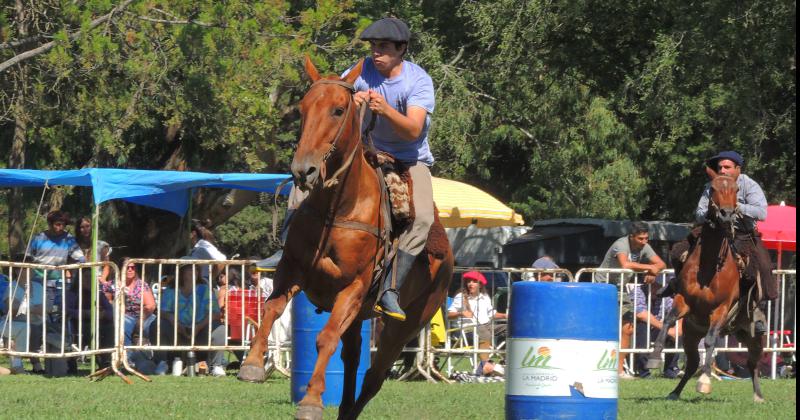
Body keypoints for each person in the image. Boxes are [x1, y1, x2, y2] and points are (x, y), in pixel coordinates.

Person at [347, 17, 436, 322]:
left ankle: (390, 289)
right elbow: (335, 92)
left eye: (383, 46)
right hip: (366, 153)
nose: (376, 52)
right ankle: (288, 251)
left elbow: (413, 130)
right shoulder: (362, 70)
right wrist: (350, 98)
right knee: (309, 174)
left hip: (409, 159)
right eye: (373, 46)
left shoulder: (419, 81)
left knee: (423, 217)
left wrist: (385, 109)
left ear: (402, 49)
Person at [658, 151, 775, 315]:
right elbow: (698, 213)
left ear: (738, 169)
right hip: (713, 229)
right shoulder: (712, 185)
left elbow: (762, 213)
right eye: (720, 167)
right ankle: (676, 284)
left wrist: (735, 206)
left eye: (727, 167)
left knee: (762, 265)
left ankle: (756, 309)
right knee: (678, 251)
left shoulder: (749, 185)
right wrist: (712, 209)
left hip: (743, 232)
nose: (722, 170)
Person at [154, 265, 227, 377]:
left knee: (220, 328)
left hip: (201, 331)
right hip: (176, 332)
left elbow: (215, 313)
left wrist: (198, 327)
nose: (194, 270)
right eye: (190, 268)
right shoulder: (171, 290)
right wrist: (173, 320)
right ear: (182, 272)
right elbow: (161, 312)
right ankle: (162, 363)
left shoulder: (205, 289)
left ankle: (216, 365)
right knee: (157, 325)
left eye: (196, 268)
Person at [447, 271, 507, 376]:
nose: (470, 284)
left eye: (474, 281)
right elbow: (448, 315)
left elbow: (491, 314)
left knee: (511, 328)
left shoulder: (485, 296)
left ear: (480, 285)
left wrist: (505, 316)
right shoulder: (461, 297)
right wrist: (461, 313)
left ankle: (507, 361)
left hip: (487, 326)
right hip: (467, 331)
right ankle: (485, 366)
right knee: (483, 332)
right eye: (469, 281)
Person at [629, 280, 681, 379]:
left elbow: (676, 311)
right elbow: (640, 314)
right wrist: (667, 329)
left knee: (674, 328)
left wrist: (676, 330)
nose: (657, 288)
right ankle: (644, 372)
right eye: (654, 285)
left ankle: (671, 369)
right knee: (642, 326)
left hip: (657, 327)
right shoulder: (638, 291)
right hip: (638, 327)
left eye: (659, 286)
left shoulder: (664, 295)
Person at [597, 222, 666, 284]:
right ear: (631, 237)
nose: (644, 242)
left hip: (620, 284)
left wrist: (652, 273)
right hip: (603, 283)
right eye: (640, 238)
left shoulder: (645, 246)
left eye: (646, 238)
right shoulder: (621, 244)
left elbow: (662, 264)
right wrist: (650, 267)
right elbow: (625, 265)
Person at [121, 259, 157, 367]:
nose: (130, 270)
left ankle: (160, 360)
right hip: (125, 316)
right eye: (127, 267)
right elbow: (108, 300)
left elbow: (151, 306)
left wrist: (141, 319)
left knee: (156, 326)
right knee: (123, 324)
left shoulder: (141, 285)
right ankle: (128, 360)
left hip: (145, 315)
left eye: (133, 267)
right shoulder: (115, 284)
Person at [76, 216, 113, 303]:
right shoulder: (75, 246)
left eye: (87, 226)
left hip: (97, 281)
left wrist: (103, 279)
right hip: (79, 282)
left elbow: (107, 265)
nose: (85, 229)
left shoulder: (101, 245)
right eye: (82, 227)